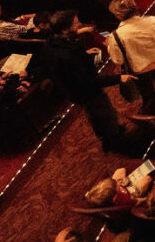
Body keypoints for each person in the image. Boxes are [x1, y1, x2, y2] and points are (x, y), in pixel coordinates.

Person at [42, 10, 131, 152]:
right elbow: (90, 81)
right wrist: (118, 78)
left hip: (74, 90)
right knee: (105, 114)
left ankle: (107, 135)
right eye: (76, 24)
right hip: (86, 91)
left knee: (95, 115)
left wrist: (84, 54)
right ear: (65, 30)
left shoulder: (51, 42)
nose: (80, 25)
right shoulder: (68, 56)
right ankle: (115, 142)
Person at [106, 0, 155, 103]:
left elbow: (118, 60)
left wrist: (109, 46)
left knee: (149, 99)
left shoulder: (115, 36)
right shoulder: (153, 20)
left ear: (117, 15)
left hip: (140, 71)